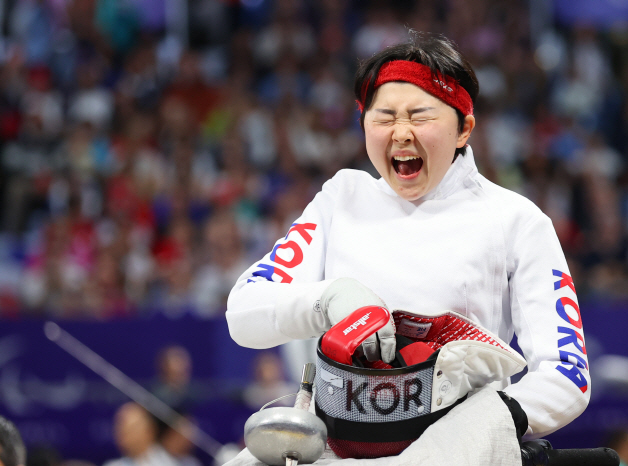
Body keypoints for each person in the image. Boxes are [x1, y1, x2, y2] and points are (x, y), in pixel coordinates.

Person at [226, 30, 589, 459]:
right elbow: (245, 312)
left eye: (420, 116)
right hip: (337, 447)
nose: (400, 133)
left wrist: (489, 425)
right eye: (383, 118)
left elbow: (568, 373)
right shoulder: (341, 198)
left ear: (463, 128)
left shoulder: (516, 220)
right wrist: (329, 299)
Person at [103, 402, 179, 466]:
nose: (121, 434)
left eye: (130, 429)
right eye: (119, 427)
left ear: (149, 430)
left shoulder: (164, 463)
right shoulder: (114, 464)